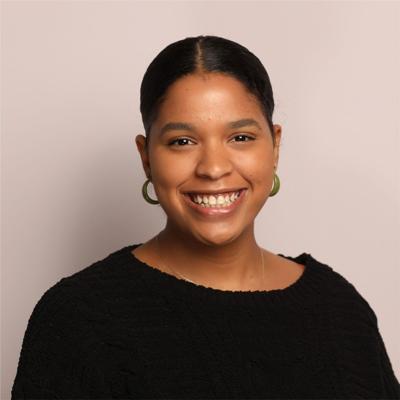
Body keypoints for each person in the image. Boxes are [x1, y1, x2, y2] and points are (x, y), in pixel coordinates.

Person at [11, 35, 400, 399]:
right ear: (146, 157)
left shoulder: (338, 308)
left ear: (275, 146)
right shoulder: (79, 319)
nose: (213, 168)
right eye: (182, 141)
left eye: (241, 137)